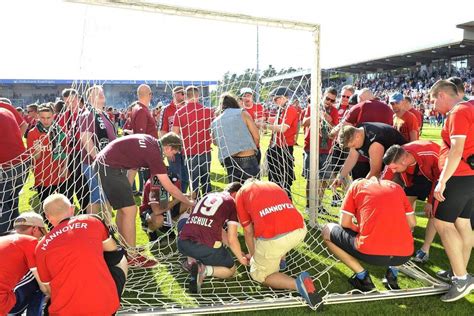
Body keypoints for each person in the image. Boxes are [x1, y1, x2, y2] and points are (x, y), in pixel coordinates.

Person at [94, 132, 195, 267]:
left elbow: (133, 167)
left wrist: (128, 191)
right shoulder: (154, 154)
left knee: (124, 209)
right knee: (130, 210)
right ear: (168, 148)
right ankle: (133, 257)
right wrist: (188, 201)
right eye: (174, 153)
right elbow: (168, 187)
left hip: (108, 164)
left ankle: (127, 247)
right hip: (109, 167)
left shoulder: (151, 141)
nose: (173, 157)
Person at [234, 179, 322, 308]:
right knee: (279, 224)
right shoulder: (272, 184)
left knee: (260, 275)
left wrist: (254, 258)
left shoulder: (241, 193)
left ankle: (298, 284)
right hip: (300, 230)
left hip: (276, 241)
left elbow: (248, 232)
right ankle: (282, 258)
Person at [36, 194, 127, 315]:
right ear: (72, 209)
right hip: (104, 307)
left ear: (47, 217)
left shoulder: (41, 247)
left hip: (65, 311)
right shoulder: (92, 220)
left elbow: (48, 289)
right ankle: (110, 294)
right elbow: (113, 251)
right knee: (120, 256)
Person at [323, 177, 415, 291]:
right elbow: (412, 223)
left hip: (371, 252)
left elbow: (344, 223)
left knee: (327, 229)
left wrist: (361, 229)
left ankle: (362, 277)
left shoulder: (356, 185)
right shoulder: (397, 187)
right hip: (404, 255)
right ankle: (392, 274)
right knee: (401, 232)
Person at [429, 79, 474, 302]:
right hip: (470, 177)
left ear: (442, 95)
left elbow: (456, 149)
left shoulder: (458, 111)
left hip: (459, 175)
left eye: (433, 99)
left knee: (442, 223)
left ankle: (461, 277)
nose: (433, 105)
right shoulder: (471, 107)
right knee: (463, 222)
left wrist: (442, 181)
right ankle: (462, 270)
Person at [178, 182, 249, 293]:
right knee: (231, 270)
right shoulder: (232, 203)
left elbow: (218, 229)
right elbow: (232, 238)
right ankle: (203, 270)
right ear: (236, 194)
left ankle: (192, 263)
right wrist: (241, 259)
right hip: (205, 247)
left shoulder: (209, 195)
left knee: (197, 235)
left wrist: (238, 252)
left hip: (183, 243)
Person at [382, 141, 441, 263]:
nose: (393, 172)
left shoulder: (430, 153)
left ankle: (425, 250)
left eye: (395, 168)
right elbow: (383, 181)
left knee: (433, 212)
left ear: (403, 161)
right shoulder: (396, 156)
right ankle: (404, 239)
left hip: (438, 179)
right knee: (403, 207)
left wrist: (430, 201)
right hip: (414, 178)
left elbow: (439, 178)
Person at [337, 88, 394, 179]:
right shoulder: (388, 109)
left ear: (360, 98)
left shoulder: (360, 106)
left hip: (361, 155)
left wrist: (333, 132)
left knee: (361, 184)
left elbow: (344, 126)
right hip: (384, 156)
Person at [0, 212, 48, 316]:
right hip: (4, 304)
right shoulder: (30, 241)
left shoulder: (3, 239)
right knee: (41, 275)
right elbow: (43, 285)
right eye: (42, 233)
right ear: (35, 229)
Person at [79, 85, 117, 214]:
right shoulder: (87, 114)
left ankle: (108, 225)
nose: (101, 95)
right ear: (90, 98)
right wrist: (98, 159)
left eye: (102, 93)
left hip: (107, 162)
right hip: (93, 163)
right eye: (97, 94)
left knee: (106, 195)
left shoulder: (103, 114)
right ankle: (93, 226)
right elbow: (85, 139)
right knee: (96, 196)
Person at [332, 122, 407, 188]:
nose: (353, 148)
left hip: (402, 162)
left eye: (353, 145)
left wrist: (359, 188)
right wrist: (340, 177)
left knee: (390, 192)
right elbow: (352, 157)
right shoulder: (357, 131)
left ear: (357, 136)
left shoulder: (374, 144)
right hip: (391, 163)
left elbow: (375, 172)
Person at [172, 86, 214, 196]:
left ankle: (195, 209)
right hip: (205, 151)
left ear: (185, 96)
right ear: (198, 96)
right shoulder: (208, 111)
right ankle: (208, 208)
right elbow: (214, 132)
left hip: (190, 153)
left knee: (193, 183)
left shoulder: (179, 113)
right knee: (206, 181)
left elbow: (174, 134)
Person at [258, 87, 299, 198]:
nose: (274, 101)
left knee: (284, 182)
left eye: (276, 98)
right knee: (274, 180)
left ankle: (287, 206)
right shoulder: (281, 110)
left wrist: (265, 125)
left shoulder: (290, 110)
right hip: (275, 147)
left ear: (283, 97)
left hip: (283, 149)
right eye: (274, 98)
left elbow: (282, 129)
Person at [211, 93, 260, 183]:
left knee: (235, 192)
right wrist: (254, 148)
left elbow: (215, 142)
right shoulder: (242, 113)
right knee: (253, 191)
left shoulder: (216, 121)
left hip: (229, 160)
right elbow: (256, 136)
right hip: (247, 156)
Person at [27, 103, 68, 206]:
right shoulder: (33, 133)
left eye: (48, 117)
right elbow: (35, 158)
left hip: (60, 174)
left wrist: (66, 166)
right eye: (43, 118)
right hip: (43, 176)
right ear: (38, 117)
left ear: (53, 116)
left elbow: (67, 151)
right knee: (47, 207)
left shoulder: (60, 131)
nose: (46, 121)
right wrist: (37, 151)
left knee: (64, 206)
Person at [58, 88, 91, 212]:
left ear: (78, 99)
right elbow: (61, 140)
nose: (69, 105)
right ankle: (69, 213)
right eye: (66, 102)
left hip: (85, 154)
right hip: (70, 155)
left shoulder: (87, 114)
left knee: (84, 186)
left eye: (72, 101)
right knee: (69, 185)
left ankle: (86, 212)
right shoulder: (64, 116)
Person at [0, 108, 29, 233]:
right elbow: (24, 125)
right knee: (12, 200)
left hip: (7, 166)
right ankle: (15, 232)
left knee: (3, 203)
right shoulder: (6, 110)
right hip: (21, 164)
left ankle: (4, 235)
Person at [158, 86, 189, 191]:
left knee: (187, 177)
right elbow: (162, 130)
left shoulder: (189, 107)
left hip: (188, 148)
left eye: (184, 93)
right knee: (175, 176)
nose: (184, 95)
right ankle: (175, 201)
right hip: (173, 150)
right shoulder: (166, 109)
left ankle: (183, 199)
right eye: (182, 93)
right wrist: (168, 149)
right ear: (175, 94)